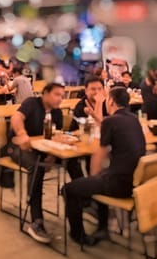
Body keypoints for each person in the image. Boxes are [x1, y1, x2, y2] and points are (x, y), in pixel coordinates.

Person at [62, 86, 146, 246]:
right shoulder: (133, 119)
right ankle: (102, 227)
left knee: (69, 189)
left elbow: (98, 157)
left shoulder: (111, 121)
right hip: (137, 182)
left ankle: (78, 235)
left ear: (111, 101)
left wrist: (92, 178)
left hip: (120, 185)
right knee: (100, 178)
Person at [9, 83, 85, 244]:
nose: (60, 98)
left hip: (42, 149)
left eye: (62, 95)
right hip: (19, 147)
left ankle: (84, 198)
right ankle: (36, 221)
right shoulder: (31, 103)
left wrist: (52, 154)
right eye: (57, 94)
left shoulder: (56, 112)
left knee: (72, 159)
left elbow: (52, 135)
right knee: (37, 166)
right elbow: (16, 117)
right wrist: (22, 134)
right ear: (45, 94)